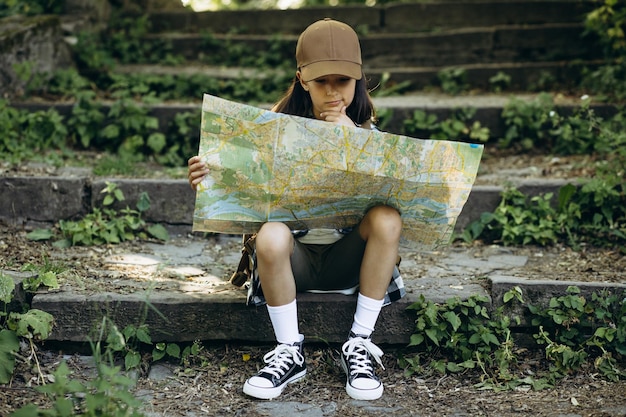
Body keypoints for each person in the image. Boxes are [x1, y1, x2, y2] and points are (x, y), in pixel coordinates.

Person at [187, 18, 405, 401]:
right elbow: (243, 196)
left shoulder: (369, 135)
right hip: (292, 263)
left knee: (387, 217)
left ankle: (359, 343)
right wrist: (210, 178)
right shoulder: (270, 132)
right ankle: (290, 350)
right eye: (322, 81)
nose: (333, 92)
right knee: (270, 232)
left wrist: (353, 142)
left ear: (359, 80)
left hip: (350, 263)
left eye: (343, 81)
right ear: (302, 78)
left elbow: (398, 196)